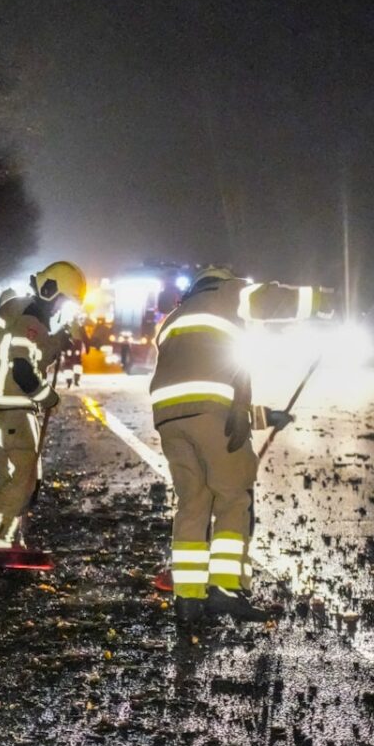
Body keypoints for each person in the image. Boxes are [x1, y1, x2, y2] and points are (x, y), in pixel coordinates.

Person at [148, 265, 333, 624]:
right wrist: (324, 300)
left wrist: (265, 417)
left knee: (193, 504)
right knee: (233, 498)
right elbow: (272, 299)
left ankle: (187, 600)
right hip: (209, 415)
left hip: (169, 420)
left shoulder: (174, 318)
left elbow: (205, 392)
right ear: (220, 281)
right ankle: (225, 588)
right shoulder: (227, 293)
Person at [0, 261, 85, 566]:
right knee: (23, 476)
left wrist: (57, 339)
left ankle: (6, 541)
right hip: (13, 405)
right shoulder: (31, 317)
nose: (62, 306)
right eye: (64, 300)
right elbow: (23, 367)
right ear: (51, 290)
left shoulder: (16, 309)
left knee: (11, 475)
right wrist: (47, 396)